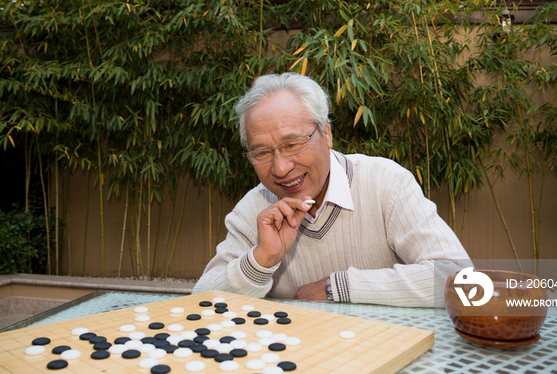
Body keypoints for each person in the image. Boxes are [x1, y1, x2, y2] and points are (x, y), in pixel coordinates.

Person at [192, 73, 470, 306]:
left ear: (326, 133)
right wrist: (262, 260)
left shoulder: (385, 183)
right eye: (262, 152)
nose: (279, 168)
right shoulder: (254, 209)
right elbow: (200, 304)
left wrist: (339, 287)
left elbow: (460, 279)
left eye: (292, 144)